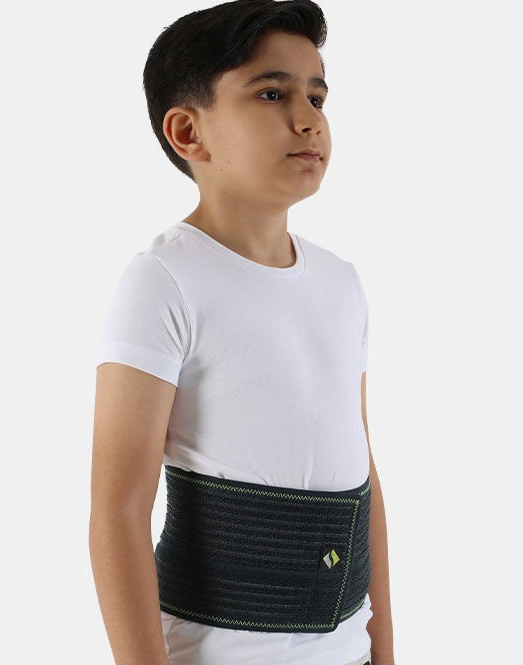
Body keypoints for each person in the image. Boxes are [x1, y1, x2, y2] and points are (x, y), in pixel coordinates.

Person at [89, 1, 395, 664]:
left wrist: (385, 649)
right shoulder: (163, 281)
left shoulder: (341, 282)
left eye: (317, 96)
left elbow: (363, 478)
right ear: (188, 132)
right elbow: (119, 510)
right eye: (272, 93)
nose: (309, 118)